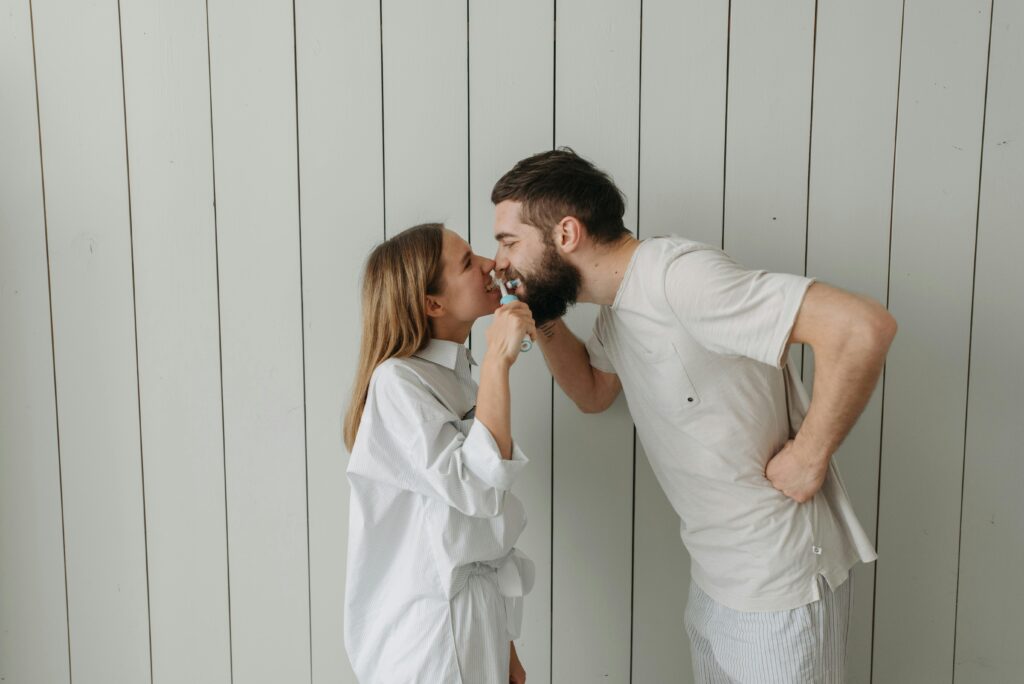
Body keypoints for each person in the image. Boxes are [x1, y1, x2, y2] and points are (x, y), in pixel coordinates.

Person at [490, 148, 897, 682]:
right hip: (714, 581)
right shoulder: (620, 308)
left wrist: (810, 455)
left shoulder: (681, 278)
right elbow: (592, 391)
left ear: (566, 234)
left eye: (509, 242)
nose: (499, 263)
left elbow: (861, 328)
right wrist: (540, 318)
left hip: (777, 586)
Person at [343, 223, 535, 683]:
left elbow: (474, 526)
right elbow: (480, 490)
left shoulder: (457, 376)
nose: (491, 265)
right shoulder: (398, 383)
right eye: (468, 262)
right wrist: (497, 361)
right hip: (434, 631)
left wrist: (505, 645)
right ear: (433, 304)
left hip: (473, 620)